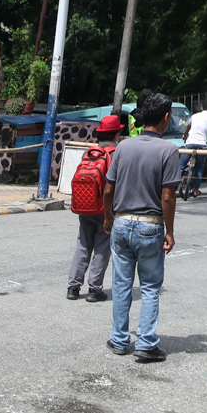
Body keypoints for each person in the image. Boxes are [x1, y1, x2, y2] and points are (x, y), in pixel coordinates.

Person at [103, 93, 182, 362]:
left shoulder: (123, 147)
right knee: (149, 286)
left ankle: (119, 339)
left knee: (122, 284)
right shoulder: (168, 150)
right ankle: (146, 343)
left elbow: (108, 188)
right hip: (150, 225)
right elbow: (168, 197)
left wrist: (107, 217)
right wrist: (169, 232)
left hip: (121, 222)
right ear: (166, 117)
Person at [68, 114, 125, 301]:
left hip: (85, 205)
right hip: (104, 209)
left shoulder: (90, 152)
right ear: (116, 134)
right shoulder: (116, 153)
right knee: (102, 246)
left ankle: (73, 287)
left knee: (83, 245)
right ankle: (94, 289)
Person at [180, 102, 207, 199]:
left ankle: (173, 186)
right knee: (199, 166)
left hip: (190, 143)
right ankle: (196, 190)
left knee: (181, 165)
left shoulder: (194, 116)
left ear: (201, 108)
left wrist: (184, 136)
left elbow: (187, 127)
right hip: (202, 145)